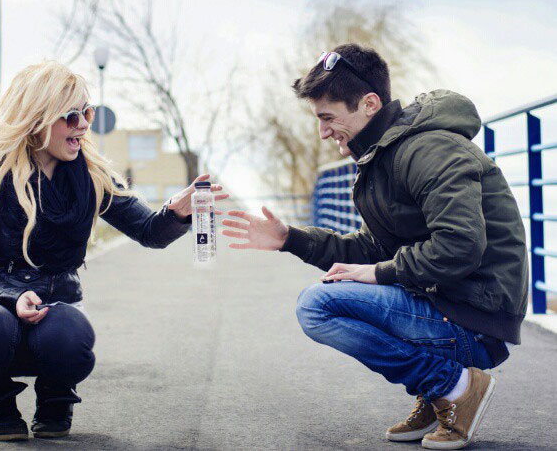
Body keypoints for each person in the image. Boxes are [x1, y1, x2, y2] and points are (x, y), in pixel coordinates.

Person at [222, 43, 527, 450]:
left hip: (476, 319)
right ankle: (438, 392)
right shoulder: (381, 158)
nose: (323, 132)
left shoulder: (429, 150)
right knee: (328, 295)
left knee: (316, 306)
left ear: (369, 104)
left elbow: (459, 244)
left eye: (328, 117)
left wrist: (380, 273)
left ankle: (453, 386)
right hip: (447, 302)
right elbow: (371, 248)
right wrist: (290, 239)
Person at [0, 60, 228, 442]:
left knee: (70, 338)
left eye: (87, 113)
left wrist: (176, 213)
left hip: (57, 301)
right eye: (70, 116)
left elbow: (149, 232)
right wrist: (12, 297)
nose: (82, 124)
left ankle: (55, 400)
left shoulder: (92, 174)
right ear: (36, 119)